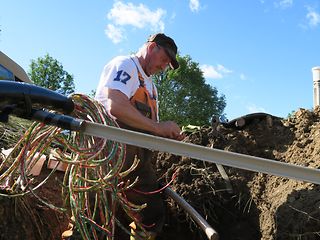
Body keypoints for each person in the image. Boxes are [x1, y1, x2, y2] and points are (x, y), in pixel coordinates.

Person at [95, 33, 184, 240]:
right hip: (110, 156)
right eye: (164, 60)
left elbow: (152, 128)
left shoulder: (151, 87)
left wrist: (169, 135)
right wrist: (158, 127)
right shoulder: (125, 65)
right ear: (152, 47)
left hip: (137, 162)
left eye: (168, 64)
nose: (164, 67)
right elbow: (115, 105)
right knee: (101, 221)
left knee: (151, 215)